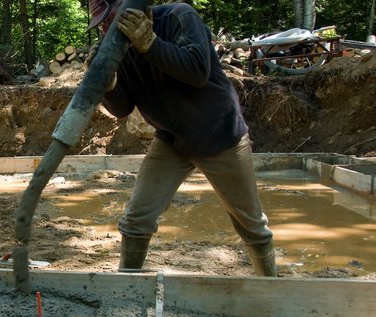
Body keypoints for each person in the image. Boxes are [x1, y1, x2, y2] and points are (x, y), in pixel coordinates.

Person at [86, 0, 277, 276]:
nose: (106, 28)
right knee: (137, 219)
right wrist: (110, 83)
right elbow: (122, 108)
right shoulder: (121, 47)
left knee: (252, 225)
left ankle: (272, 288)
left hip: (220, 135)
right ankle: (126, 288)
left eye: (108, 19)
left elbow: (197, 70)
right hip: (172, 141)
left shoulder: (178, 16)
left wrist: (149, 43)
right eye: (101, 24)